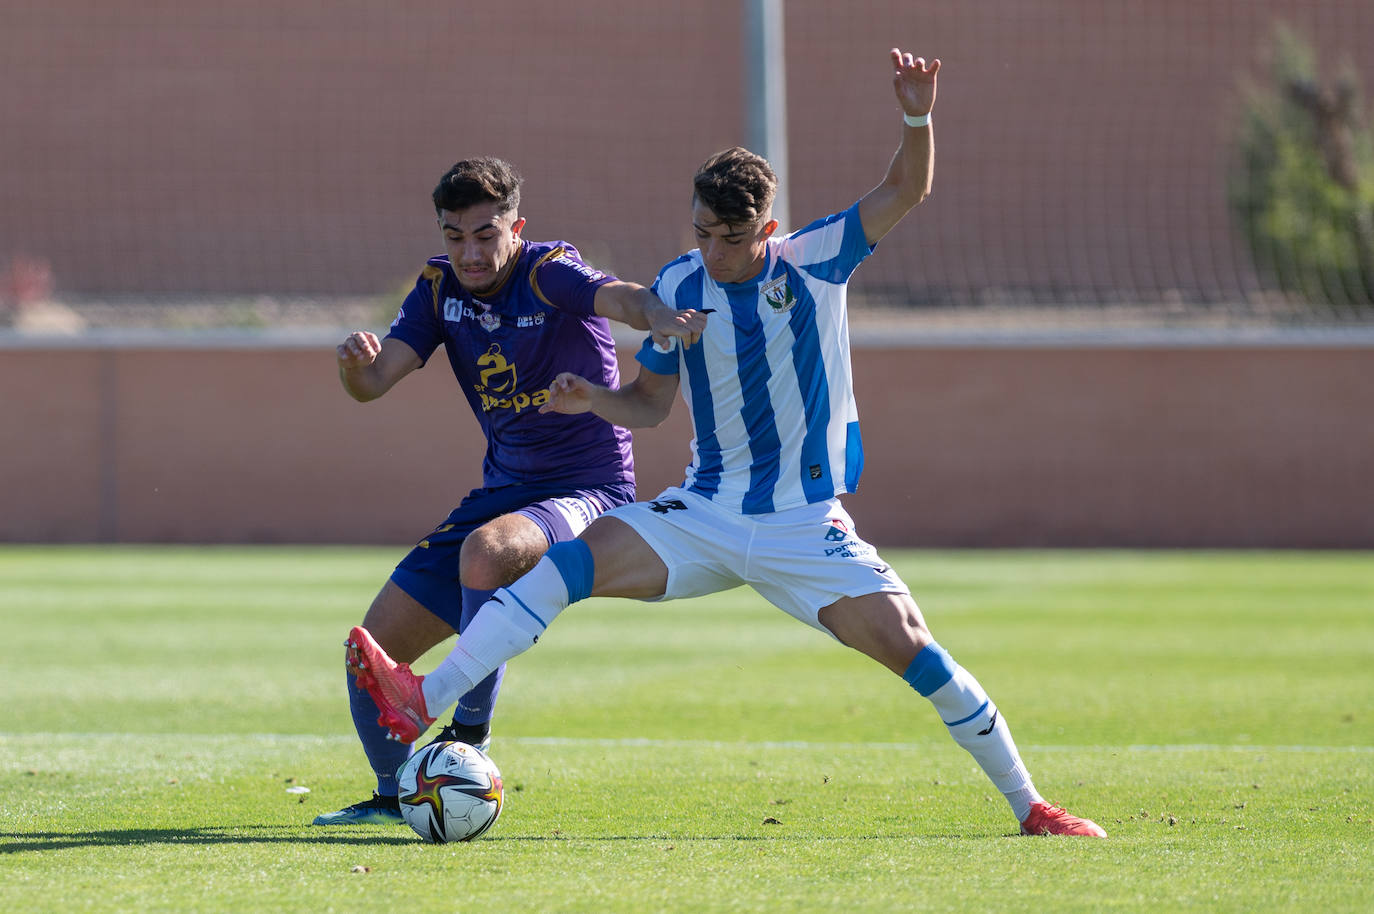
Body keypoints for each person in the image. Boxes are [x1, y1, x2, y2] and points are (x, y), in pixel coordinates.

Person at [346, 51, 1106, 837]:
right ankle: (423, 702)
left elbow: (907, 190)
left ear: (767, 229)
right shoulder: (680, 285)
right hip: (703, 513)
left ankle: (1033, 807)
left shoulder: (818, 259)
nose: (716, 252)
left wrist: (917, 115)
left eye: (734, 237)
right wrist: (592, 400)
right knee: (563, 567)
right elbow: (648, 403)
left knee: (917, 652)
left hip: (802, 524)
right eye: (704, 232)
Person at [313, 156, 707, 825]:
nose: (469, 251)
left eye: (484, 234)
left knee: (487, 554)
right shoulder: (439, 290)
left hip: (591, 489)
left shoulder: (548, 270)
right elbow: (375, 385)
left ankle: (468, 740)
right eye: (453, 235)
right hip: (507, 491)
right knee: (371, 660)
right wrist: (356, 368)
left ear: (515, 228)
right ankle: (391, 798)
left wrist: (659, 316)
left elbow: (620, 298)